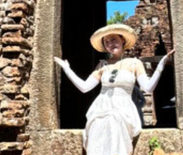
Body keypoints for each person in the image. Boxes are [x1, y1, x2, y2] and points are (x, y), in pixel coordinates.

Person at [54, 24, 175, 155]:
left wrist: (161, 65)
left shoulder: (134, 63)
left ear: (122, 40)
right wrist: (67, 69)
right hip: (101, 108)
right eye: (106, 42)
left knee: (114, 119)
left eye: (113, 40)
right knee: (99, 128)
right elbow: (84, 87)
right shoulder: (102, 65)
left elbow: (148, 87)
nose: (110, 44)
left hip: (123, 110)